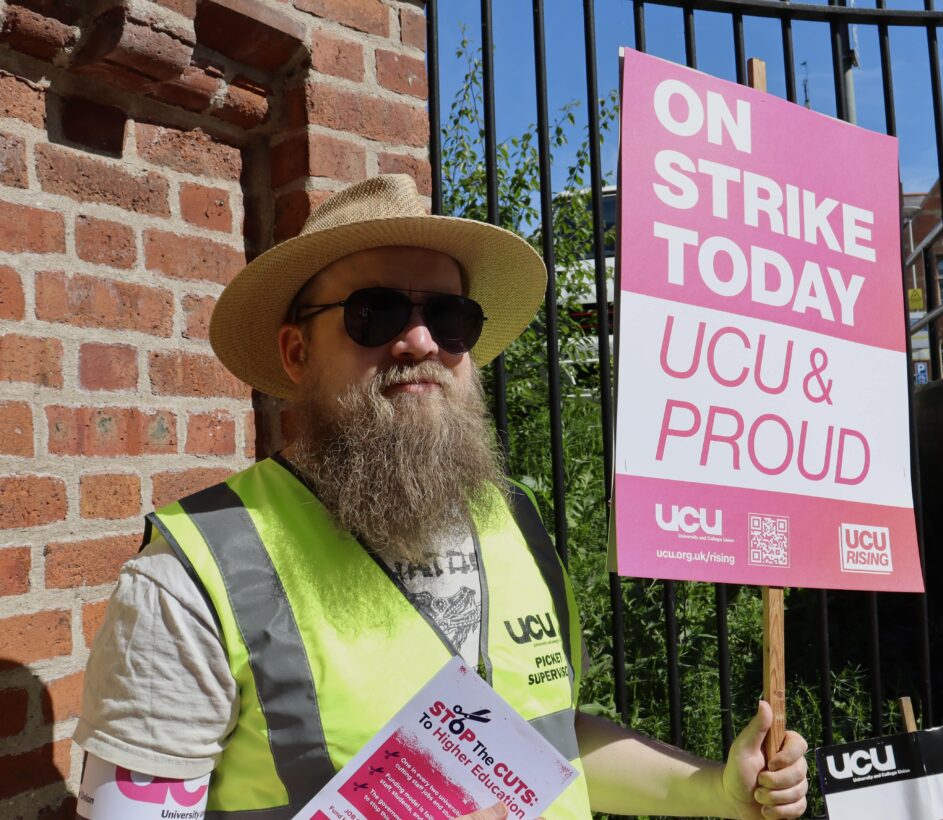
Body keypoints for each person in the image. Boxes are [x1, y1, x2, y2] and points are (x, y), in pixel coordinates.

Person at [75, 174, 808, 819]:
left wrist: (712, 789)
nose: (422, 341)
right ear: (297, 353)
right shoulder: (189, 581)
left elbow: (545, 741)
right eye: (378, 313)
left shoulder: (511, 518)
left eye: (452, 319)